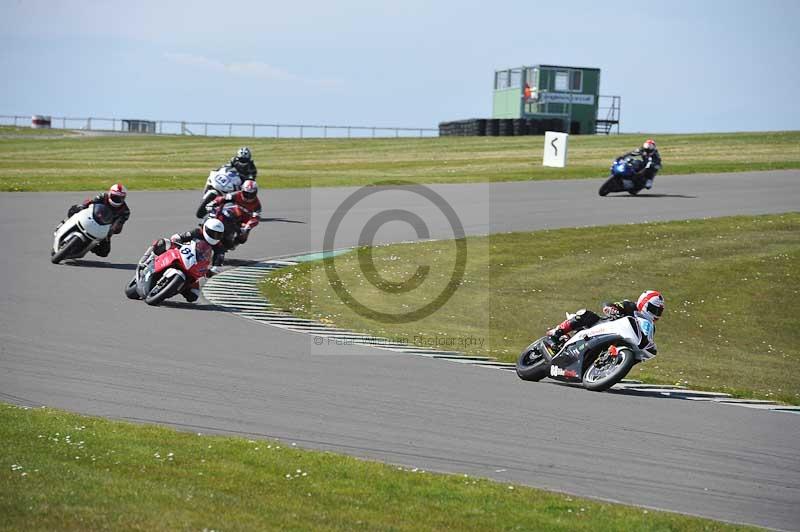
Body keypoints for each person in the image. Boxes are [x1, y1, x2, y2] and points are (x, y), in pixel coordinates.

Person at [546, 290, 665, 354]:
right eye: (654, 309)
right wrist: (611, 309)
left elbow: (646, 341)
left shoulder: (651, 327)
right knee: (586, 314)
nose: (655, 313)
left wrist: (651, 348)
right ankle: (557, 333)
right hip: (602, 326)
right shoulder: (630, 306)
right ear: (644, 303)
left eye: (658, 311)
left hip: (622, 342)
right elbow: (610, 305)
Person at [150, 218, 226, 302]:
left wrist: (213, 270)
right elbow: (181, 236)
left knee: (193, 295)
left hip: (196, 266)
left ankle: (174, 288)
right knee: (163, 243)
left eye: (218, 234)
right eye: (213, 233)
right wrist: (177, 238)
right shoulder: (198, 232)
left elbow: (219, 261)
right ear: (206, 229)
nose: (215, 236)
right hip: (183, 253)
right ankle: (151, 259)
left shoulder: (219, 247)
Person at [67, 183, 130, 257]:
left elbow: (119, 223)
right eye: (115, 197)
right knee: (75, 209)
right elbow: (92, 203)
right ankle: (65, 223)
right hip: (92, 218)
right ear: (110, 194)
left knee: (104, 252)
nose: (117, 200)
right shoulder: (103, 196)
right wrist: (83, 206)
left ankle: (90, 246)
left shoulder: (125, 211)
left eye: (120, 198)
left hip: (105, 228)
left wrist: (112, 230)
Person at [207, 179, 261, 264]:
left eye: (251, 194)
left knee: (243, 238)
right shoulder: (236, 194)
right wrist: (213, 203)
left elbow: (256, 218)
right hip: (227, 213)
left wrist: (248, 226)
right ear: (242, 190)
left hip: (241, 222)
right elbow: (223, 198)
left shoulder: (257, 204)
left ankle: (229, 245)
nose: (248, 196)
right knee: (212, 215)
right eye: (246, 193)